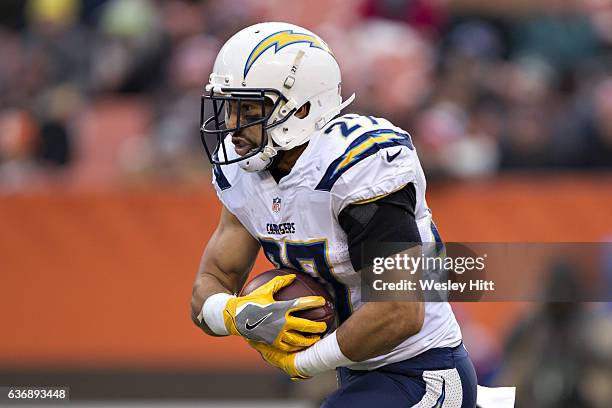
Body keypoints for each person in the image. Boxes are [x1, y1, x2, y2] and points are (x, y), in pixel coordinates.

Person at [191, 21, 477, 407]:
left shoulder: (354, 167)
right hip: (356, 373)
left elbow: (399, 311)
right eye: (229, 107)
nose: (231, 124)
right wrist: (232, 314)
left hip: (422, 372)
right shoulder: (245, 171)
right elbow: (212, 280)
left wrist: (301, 363)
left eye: (249, 108)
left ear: (301, 108)